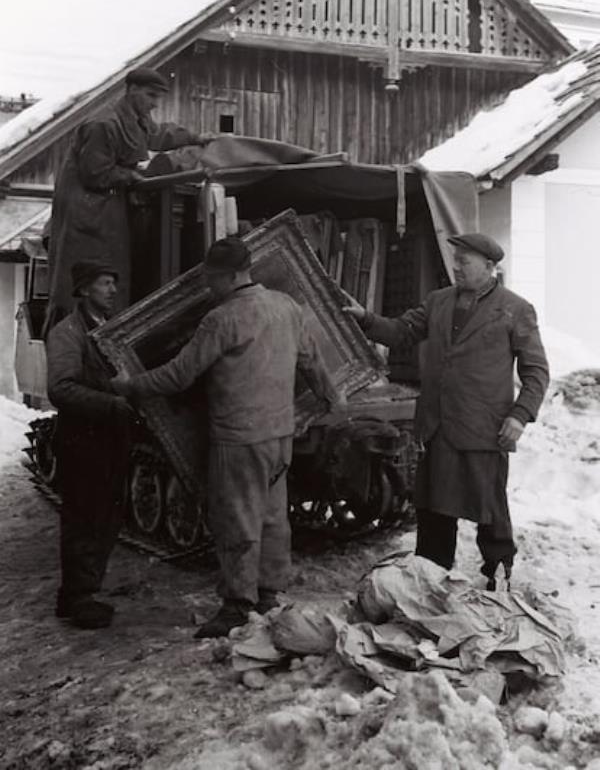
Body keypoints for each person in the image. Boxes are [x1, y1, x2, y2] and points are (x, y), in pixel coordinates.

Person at [112, 237, 340, 638]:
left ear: (233, 275)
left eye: (213, 279)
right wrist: (331, 398)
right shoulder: (287, 306)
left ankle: (238, 604)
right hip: (279, 435)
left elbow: (178, 375)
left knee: (236, 519)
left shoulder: (222, 319)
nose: (209, 287)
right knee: (272, 516)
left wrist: (128, 386)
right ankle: (268, 593)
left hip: (239, 437)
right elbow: (312, 361)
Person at [344, 232, 549, 590]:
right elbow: (401, 332)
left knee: (490, 506)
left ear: (489, 267)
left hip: (485, 427)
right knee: (435, 505)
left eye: (464, 261)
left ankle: (499, 574)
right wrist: (364, 317)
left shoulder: (516, 308)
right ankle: (431, 576)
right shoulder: (438, 301)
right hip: (438, 425)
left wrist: (520, 415)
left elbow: (536, 372)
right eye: (455, 260)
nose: (456, 267)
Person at [45, 67, 213, 334]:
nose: (154, 104)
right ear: (132, 90)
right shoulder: (104, 124)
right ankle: (76, 335)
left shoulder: (134, 117)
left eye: (158, 98)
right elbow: (95, 174)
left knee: (110, 274)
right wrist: (133, 176)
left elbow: (158, 135)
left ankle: (106, 333)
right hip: (86, 210)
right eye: (150, 96)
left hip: (107, 205)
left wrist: (195, 137)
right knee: (87, 276)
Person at [47, 261, 134, 629]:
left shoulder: (107, 329)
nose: (113, 289)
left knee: (104, 516)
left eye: (114, 282)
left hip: (107, 436)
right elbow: (61, 389)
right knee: (85, 517)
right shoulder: (68, 333)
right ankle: (80, 597)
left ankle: (76, 594)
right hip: (83, 438)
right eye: (104, 283)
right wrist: (113, 402)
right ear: (84, 290)